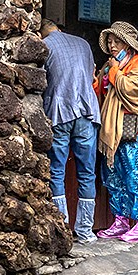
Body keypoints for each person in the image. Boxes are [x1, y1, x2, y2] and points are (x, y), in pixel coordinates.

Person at [39, 19, 101, 243]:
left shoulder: (44, 46)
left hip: (59, 111)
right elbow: (92, 76)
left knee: (57, 170)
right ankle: (85, 231)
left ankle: (61, 227)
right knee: (87, 172)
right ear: (60, 30)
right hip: (87, 110)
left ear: (41, 34)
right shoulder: (83, 44)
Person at [94, 21, 138, 242]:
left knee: (135, 176)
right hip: (111, 131)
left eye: (116, 41)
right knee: (113, 176)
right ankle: (120, 220)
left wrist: (115, 72)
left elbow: (133, 89)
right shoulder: (109, 66)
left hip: (132, 131)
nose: (111, 45)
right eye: (109, 41)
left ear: (127, 44)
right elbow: (101, 91)